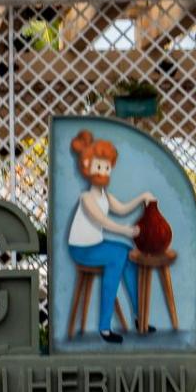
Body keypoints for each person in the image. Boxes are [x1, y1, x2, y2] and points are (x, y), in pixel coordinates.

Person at [67, 129, 156, 343]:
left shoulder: (105, 196)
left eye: (107, 167)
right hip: (81, 249)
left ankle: (140, 317)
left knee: (128, 253)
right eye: (99, 166)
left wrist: (142, 197)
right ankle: (105, 327)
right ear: (87, 166)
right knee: (117, 256)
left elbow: (122, 209)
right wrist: (125, 230)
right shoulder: (86, 198)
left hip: (97, 245)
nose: (104, 171)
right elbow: (102, 221)